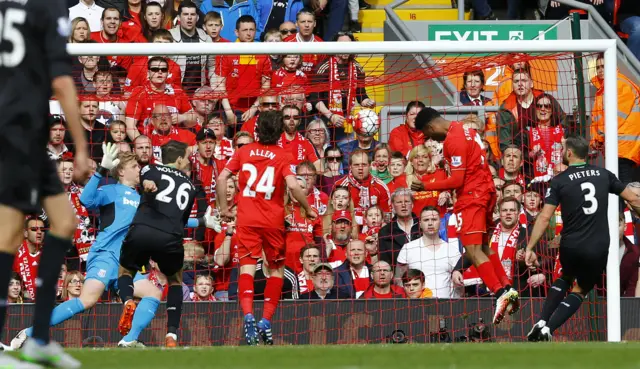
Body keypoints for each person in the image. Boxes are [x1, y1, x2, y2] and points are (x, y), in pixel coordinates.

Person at [0, 0, 91, 367]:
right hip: (18, 133)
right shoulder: (49, 8)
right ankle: (33, 338)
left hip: (21, 134)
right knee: (8, 235)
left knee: (62, 223)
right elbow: (62, 81)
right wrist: (81, 146)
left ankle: (38, 338)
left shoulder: (8, 9)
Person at [216, 110, 317, 346]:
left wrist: (223, 208)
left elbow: (221, 179)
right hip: (273, 222)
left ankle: (248, 315)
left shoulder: (243, 151)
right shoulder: (282, 155)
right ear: (280, 131)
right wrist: (307, 208)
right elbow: (293, 186)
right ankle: (265, 321)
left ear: (257, 130)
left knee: (247, 270)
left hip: (247, 220)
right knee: (276, 271)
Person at [525, 135, 640, 341]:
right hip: (597, 246)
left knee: (564, 277)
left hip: (570, 244)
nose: (560, 153)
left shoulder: (559, 180)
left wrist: (530, 247)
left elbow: (544, 217)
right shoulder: (604, 174)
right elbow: (632, 198)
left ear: (569, 153)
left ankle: (541, 321)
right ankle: (548, 329)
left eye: (562, 149)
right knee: (581, 289)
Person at [415, 107, 519, 325]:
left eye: (427, 134)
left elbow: (457, 181)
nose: (429, 139)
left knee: (472, 251)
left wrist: (425, 184)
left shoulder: (453, 140)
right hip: (486, 191)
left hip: (472, 196)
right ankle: (507, 287)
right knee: (482, 247)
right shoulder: (466, 131)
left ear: (430, 127)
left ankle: (500, 293)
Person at [116, 140, 221, 348]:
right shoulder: (191, 187)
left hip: (142, 231)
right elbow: (180, 220)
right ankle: (171, 335)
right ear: (180, 159)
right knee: (175, 282)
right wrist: (201, 222)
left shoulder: (149, 169)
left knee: (125, 272)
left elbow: (145, 182)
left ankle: (128, 300)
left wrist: (147, 185)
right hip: (170, 237)